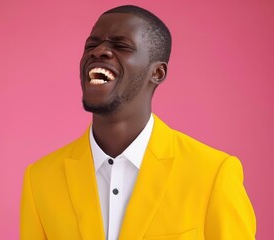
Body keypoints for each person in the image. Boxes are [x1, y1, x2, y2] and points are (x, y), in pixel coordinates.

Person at [20, 5, 256, 240]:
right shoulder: (40, 179)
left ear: (158, 73)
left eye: (121, 45)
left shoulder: (213, 174)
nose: (99, 51)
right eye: (91, 45)